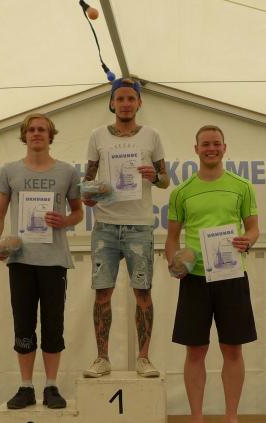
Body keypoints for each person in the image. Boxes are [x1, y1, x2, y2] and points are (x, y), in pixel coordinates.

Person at [165, 125, 259, 423]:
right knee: (196, 350)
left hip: (231, 277)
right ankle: (196, 422)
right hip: (195, 280)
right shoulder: (181, 192)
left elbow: (253, 228)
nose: (211, 149)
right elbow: (172, 238)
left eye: (216, 144)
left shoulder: (242, 187)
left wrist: (247, 240)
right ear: (196, 149)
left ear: (224, 147)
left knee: (232, 349)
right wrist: (174, 263)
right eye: (205, 144)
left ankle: (232, 421)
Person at [0, 113, 83, 409]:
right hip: (20, 260)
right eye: (31, 129)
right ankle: (26, 386)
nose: (36, 133)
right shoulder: (10, 170)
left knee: (53, 325)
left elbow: (78, 212)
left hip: (54, 261)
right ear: (24, 135)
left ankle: (51, 386)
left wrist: (64, 220)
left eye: (42, 129)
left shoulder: (67, 172)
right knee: (24, 324)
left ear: (50, 135)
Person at [81, 77, 170, 378]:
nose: (126, 104)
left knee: (142, 292)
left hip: (139, 226)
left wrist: (153, 176)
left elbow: (165, 180)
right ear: (112, 103)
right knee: (102, 293)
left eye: (131, 98)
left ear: (139, 103)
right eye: (120, 99)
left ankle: (143, 358)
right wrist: (88, 195)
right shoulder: (97, 136)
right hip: (105, 225)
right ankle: (102, 358)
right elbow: (87, 181)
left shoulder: (152, 136)